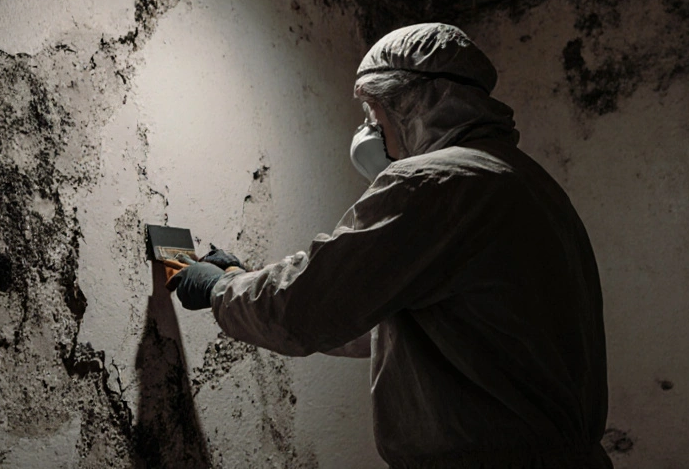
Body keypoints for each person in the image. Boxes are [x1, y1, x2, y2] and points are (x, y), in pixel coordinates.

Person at [167, 23, 611, 468]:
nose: (370, 130)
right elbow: (375, 318)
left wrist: (219, 290)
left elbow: (307, 309)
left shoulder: (431, 182)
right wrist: (246, 280)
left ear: (410, 102)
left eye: (373, 112)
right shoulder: (526, 181)